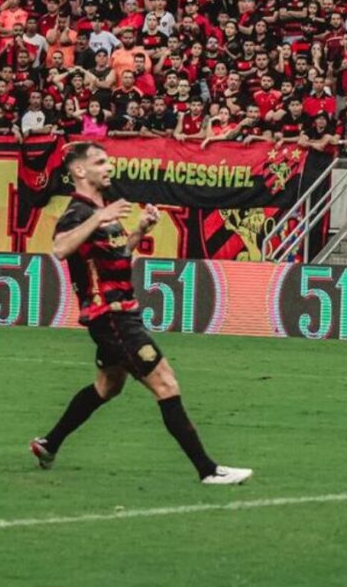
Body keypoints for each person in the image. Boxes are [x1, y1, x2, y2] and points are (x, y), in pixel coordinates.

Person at [30, 142, 251, 485]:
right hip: (113, 317)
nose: (108, 167)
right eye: (100, 162)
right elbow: (60, 248)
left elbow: (116, 258)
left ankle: (49, 444)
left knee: (108, 386)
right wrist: (98, 218)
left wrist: (138, 231)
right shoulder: (80, 212)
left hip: (118, 314)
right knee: (165, 383)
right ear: (79, 171)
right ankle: (208, 470)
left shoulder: (100, 211)